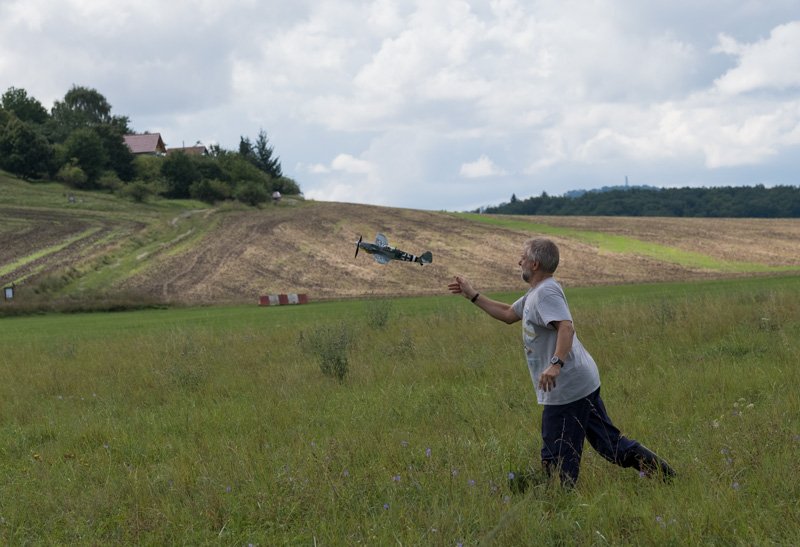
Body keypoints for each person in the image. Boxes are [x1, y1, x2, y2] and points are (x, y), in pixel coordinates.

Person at [448, 238, 675, 487]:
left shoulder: (546, 293)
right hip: (581, 383)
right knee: (610, 446)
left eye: (523, 257)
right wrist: (473, 295)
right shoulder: (537, 292)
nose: (519, 261)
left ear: (534, 264)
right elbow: (507, 314)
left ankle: (558, 501)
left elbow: (566, 327)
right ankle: (668, 477)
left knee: (557, 458)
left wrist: (555, 364)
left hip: (567, 389)